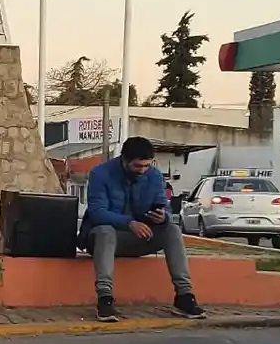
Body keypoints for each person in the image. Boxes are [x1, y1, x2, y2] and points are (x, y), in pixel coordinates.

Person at [79, 136, 206, 321]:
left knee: (172, 229)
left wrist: (163, 216)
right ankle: (105, 298)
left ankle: (184, 296)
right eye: (138, 166)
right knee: (105, 231)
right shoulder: (100, 173)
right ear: (124, 160)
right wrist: (129, 223)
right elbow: (97, 212)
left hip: (140, 237)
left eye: (146, 166)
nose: (142, 170)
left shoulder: (154, 176)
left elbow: (165, 206)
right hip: (103, 240)